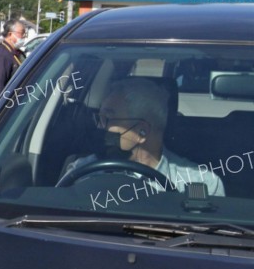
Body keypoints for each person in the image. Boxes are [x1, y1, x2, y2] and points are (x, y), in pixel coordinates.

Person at [64, 77, 225, 195]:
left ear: (142, 131)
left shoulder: (201, 184)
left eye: (107, 119)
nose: (99, 127)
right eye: (99, 118)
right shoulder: (82, 172)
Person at [0, 19, 26, 100]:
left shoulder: (18, 53)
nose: (24, 36)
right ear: (10, 34)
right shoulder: (2, 57)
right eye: (22, 33)